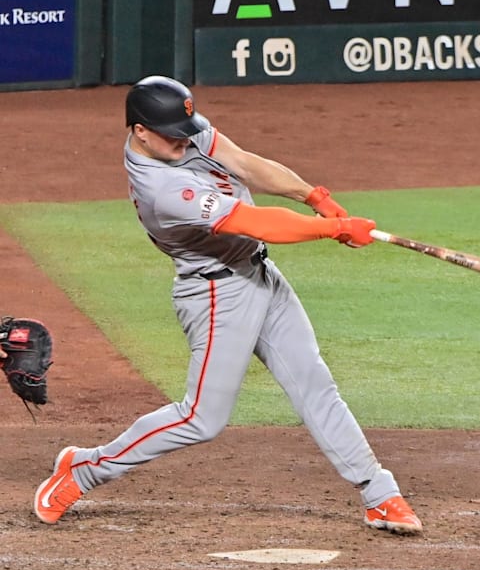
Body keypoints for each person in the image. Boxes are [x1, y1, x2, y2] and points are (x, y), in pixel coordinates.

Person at [32, 75, 423, 535]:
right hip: (218, 293)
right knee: (201, 419)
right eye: (173, 135)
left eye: (186, 130)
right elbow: (255, 222)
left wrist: (316, 198)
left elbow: (244, 163)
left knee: (314, 383)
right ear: (140, 131)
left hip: (260, 274)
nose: (184, 141)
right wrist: (333, 229)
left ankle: (379, 494)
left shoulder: (178, 132)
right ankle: (83, 469)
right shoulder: (162, 188)